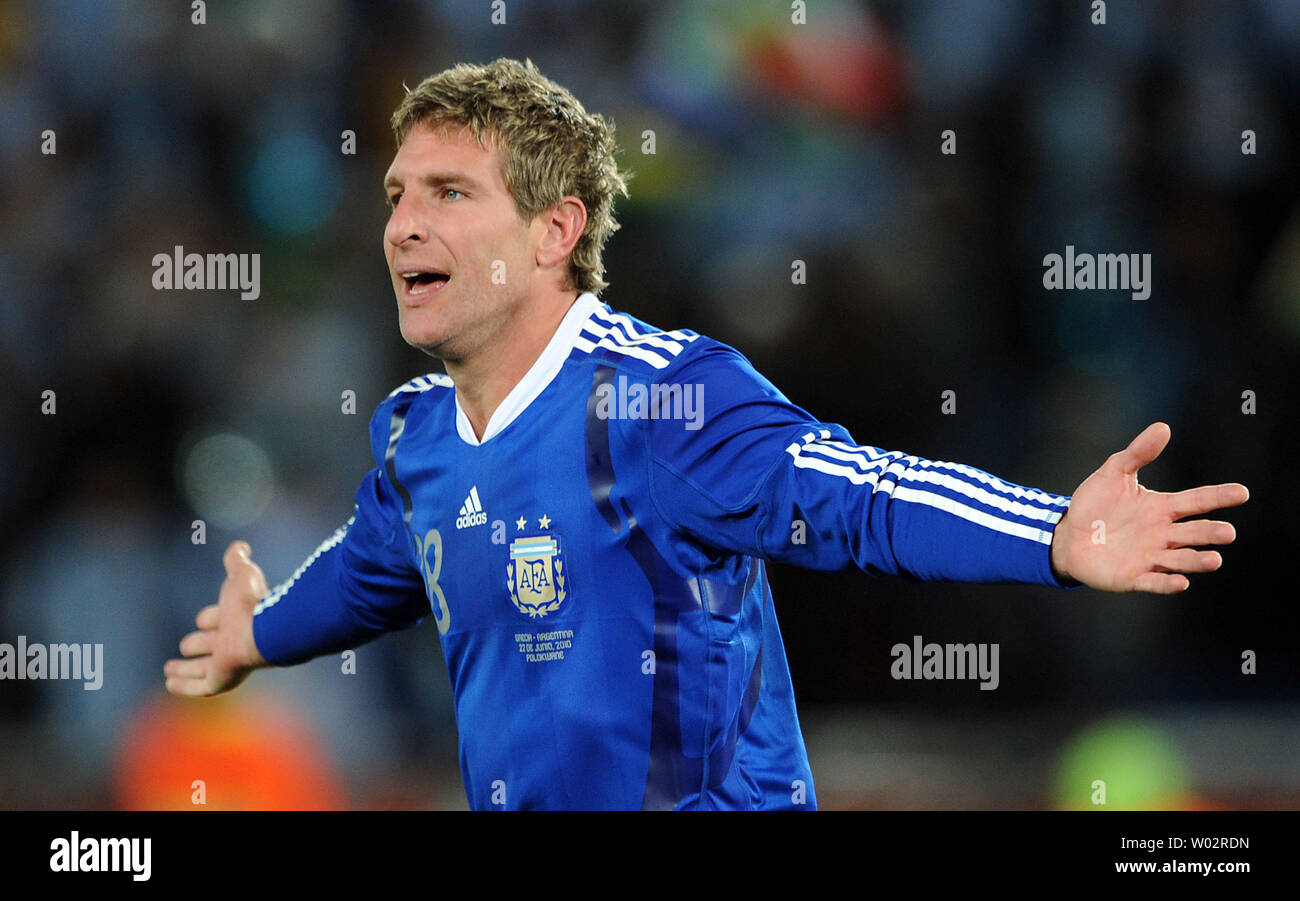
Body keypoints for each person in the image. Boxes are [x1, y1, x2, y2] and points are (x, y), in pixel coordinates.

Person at [163, 58, 1249, 810]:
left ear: (554, 232)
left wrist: (1053, 532)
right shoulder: (417, 439)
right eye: (400, 193)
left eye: (450, 192)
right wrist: (264, 635)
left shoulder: (662, 401)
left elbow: (853, 492)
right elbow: (375, 570)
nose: (404, 222)